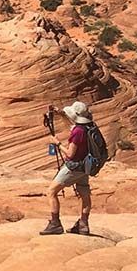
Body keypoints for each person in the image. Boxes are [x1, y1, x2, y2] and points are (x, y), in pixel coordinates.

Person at [42, 101, 94, 236]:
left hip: (74, 166)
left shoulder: (77, 132)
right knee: (85, 195)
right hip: (85, 166)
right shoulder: (89, 127)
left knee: (51, 192)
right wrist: (59, 112)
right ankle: (83, 225)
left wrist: (57, 144)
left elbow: (71, 154)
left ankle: (55, 224)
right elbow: (72, 121)